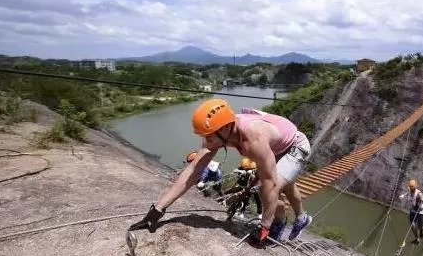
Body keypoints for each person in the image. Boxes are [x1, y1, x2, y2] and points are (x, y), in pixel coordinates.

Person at [129, 98, 312, 245]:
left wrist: (263, 225)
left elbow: (270, 184)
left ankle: (276, 225)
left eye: (208, 136)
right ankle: (301, 217)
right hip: (276, 142)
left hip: (294, 146)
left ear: (225, 128)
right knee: (284, 184)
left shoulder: (254, 138)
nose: (206, 140)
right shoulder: (217, 135)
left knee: (271, 188)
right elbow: (193, 171)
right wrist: (158, 210)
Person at [399, 179, 423, 244]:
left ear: (415, 186)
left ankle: (421, 230)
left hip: (420, 211)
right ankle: (417, 239)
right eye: (410, 186)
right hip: (413, 210)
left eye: (412, 186)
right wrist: (403, 196)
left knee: (420, 226)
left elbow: (422, 198)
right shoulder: (410, 190)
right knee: (412, 225)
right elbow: (408, 193)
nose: (411, 188)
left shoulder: (419, 193)